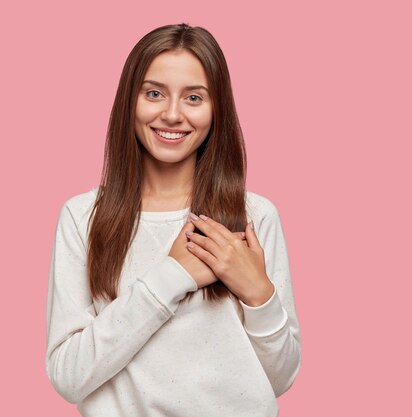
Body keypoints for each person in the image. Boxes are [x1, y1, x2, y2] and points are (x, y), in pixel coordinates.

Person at [45, 23, 302, 417]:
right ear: (129, 101)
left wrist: (258, 293)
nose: (171, 114)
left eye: (194, 98)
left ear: (217, 110)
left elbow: (280, 378)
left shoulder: (254, 218)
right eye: (153, 94)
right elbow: (68, 375)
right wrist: (171, 275)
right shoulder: (84, 218)